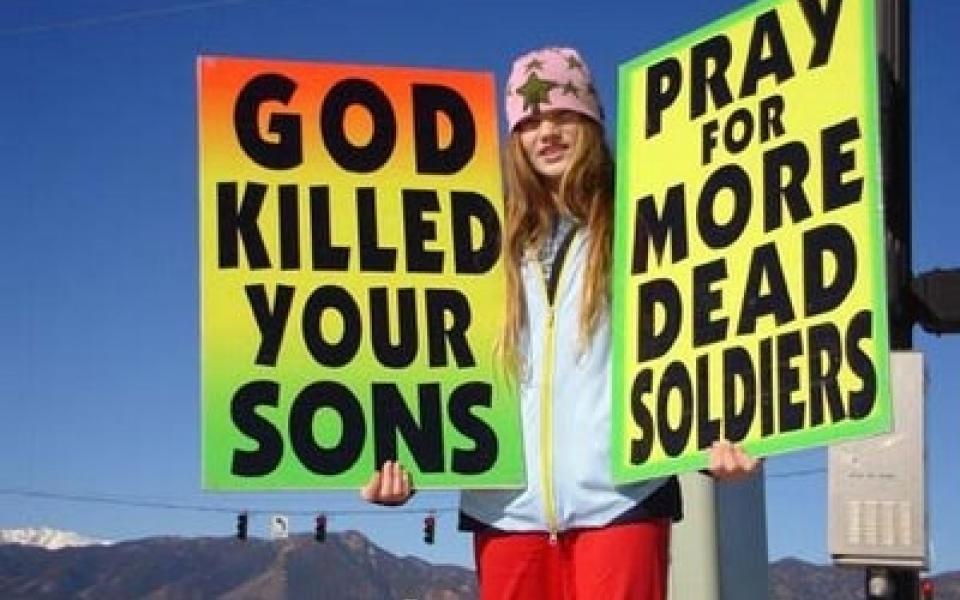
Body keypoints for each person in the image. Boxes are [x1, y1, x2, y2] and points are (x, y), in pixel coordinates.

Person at [362, 46, 759, 600]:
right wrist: (395, 454)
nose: (546, 132)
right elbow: (423, 343)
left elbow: (702, 326)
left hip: (621, 501)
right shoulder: (473, 242)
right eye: (530, 121)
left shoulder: (644, 223)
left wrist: (723, 429)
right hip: (502, 510)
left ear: (592, 122)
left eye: (563, 114)